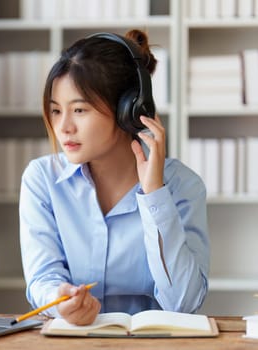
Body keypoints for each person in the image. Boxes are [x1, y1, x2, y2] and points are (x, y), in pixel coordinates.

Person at [19, 29, 210, 326]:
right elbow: (42, 280)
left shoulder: (183, 185)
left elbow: (183, 303)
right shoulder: (42, 179)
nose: (64, 127)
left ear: (129, 111)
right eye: (56, 111)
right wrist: (61, 300)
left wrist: (154, 195)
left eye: (79, 109)